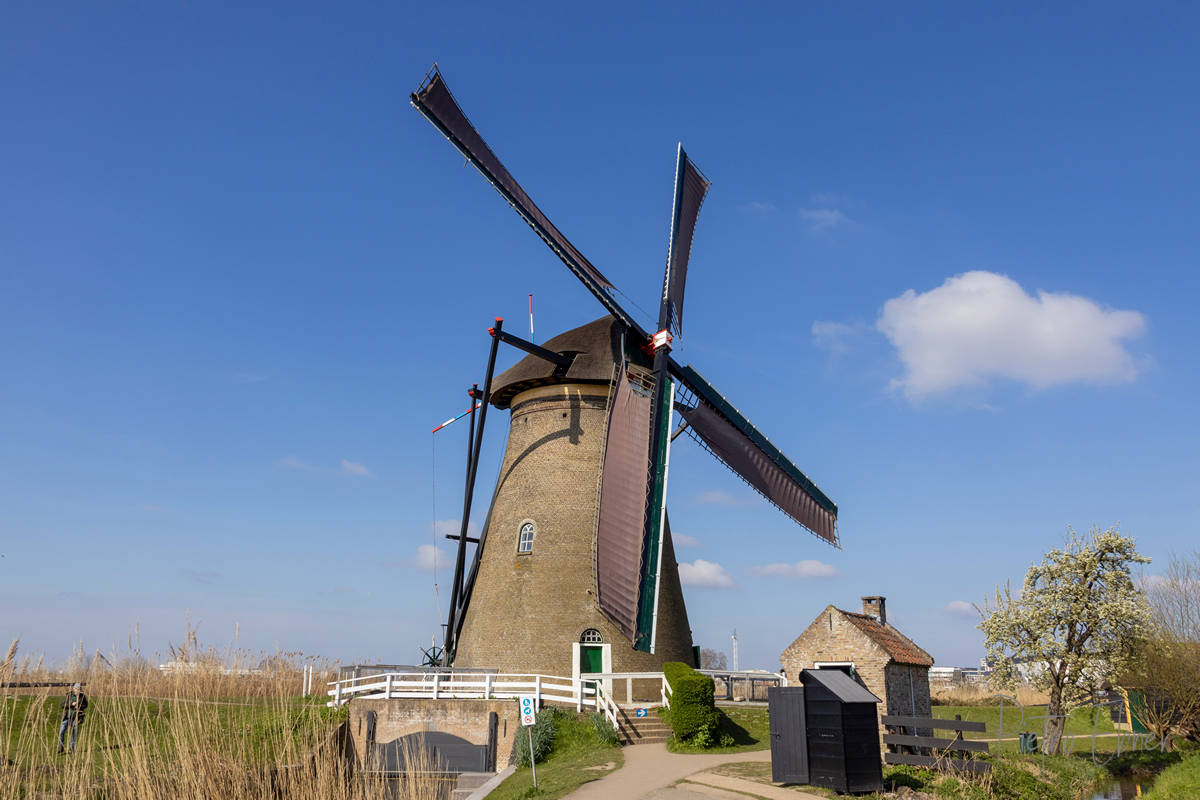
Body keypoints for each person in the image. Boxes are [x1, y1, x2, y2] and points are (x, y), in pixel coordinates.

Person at [57, 682, 88, 754]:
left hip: (76, 717)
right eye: (77, 689)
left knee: (75, 733)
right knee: (61, 731)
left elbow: (86, 705)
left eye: (79, 689)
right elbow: (62, 705)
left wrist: (79, 706)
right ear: (74, 689)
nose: (78, 690)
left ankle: (72, 747)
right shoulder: (69, 695)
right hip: (67, 717)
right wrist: (71, 704)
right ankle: (60, 746)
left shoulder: (82, 697)